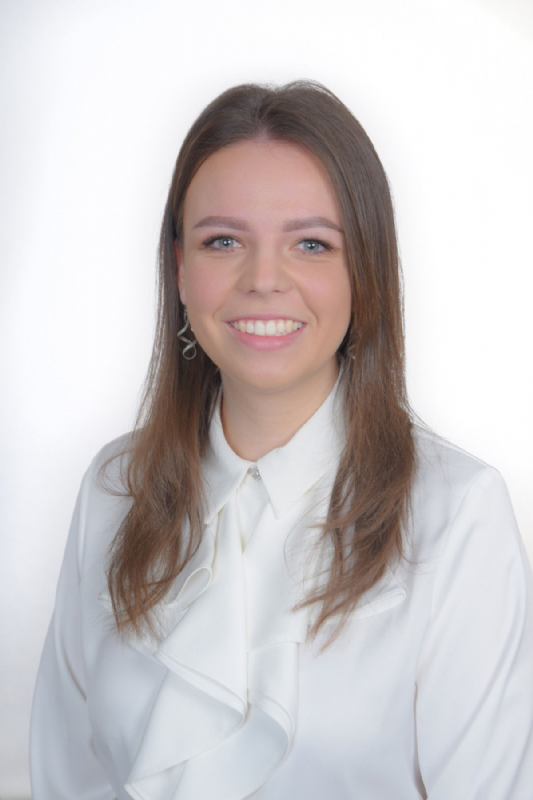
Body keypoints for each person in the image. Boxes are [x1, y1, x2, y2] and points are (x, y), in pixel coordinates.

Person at [29, 79, 533, 799]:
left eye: (311, 244)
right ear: (180, 269)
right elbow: (65, 777)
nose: (264, 280)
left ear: (364, 271)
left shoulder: (457, 515)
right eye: (223, 241)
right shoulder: (115, 487)